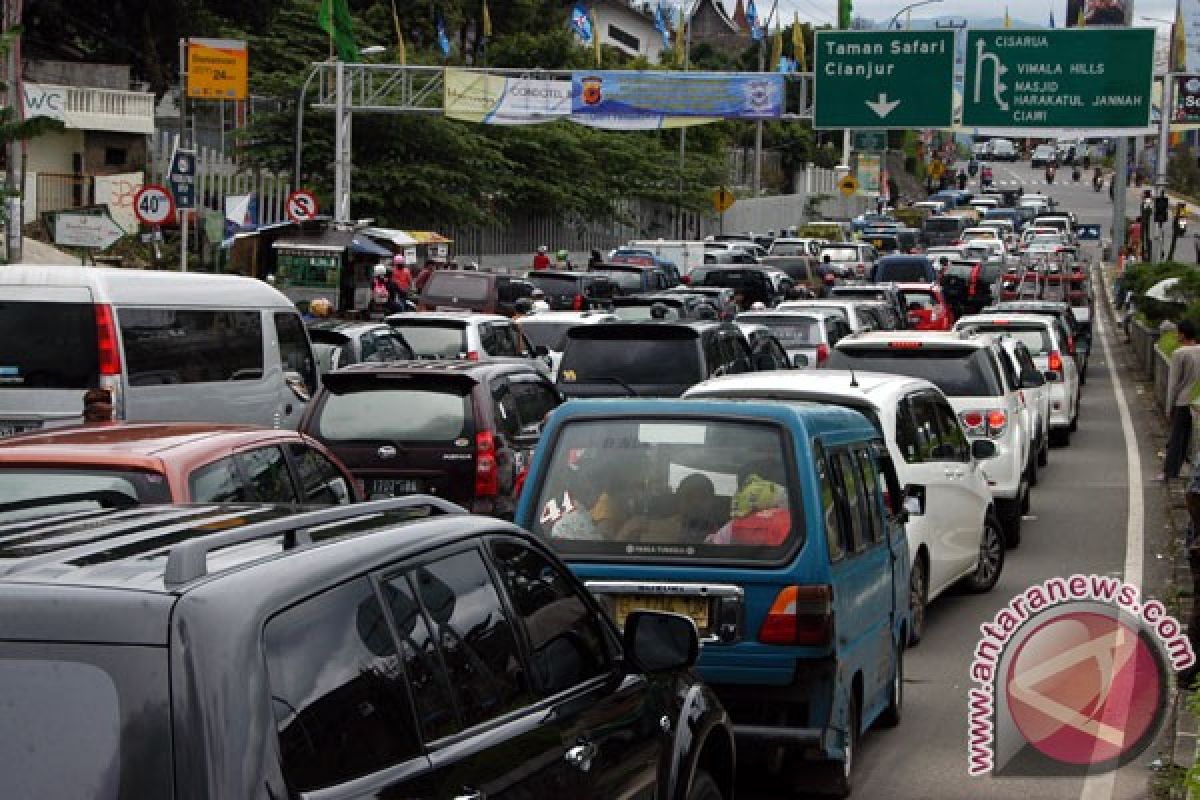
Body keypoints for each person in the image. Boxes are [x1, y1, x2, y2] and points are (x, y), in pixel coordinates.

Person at [1161, 319, 1200, 482]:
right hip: (1196, 400)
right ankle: (1185, 467)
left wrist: (1168, 408)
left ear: (1183, 334)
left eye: (1178, 332)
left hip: (1183, 400)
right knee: (1189, 436)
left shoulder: (1179, 354)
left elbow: (1173, 384)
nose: (1176, 335)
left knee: (1177, 437)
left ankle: (1171, 471)